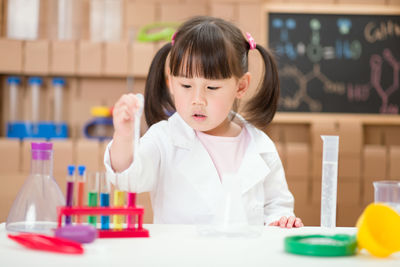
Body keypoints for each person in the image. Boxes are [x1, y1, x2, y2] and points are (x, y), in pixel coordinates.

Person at [104, 16, 303, 228]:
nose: (197, 99)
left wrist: (281, 221)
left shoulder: (261, 147)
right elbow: (128, 178)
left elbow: (276, 206)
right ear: (171, 82)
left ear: (241, 86)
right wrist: (124, 136)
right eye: (186, 86)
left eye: (212, 88)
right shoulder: (163, 138)